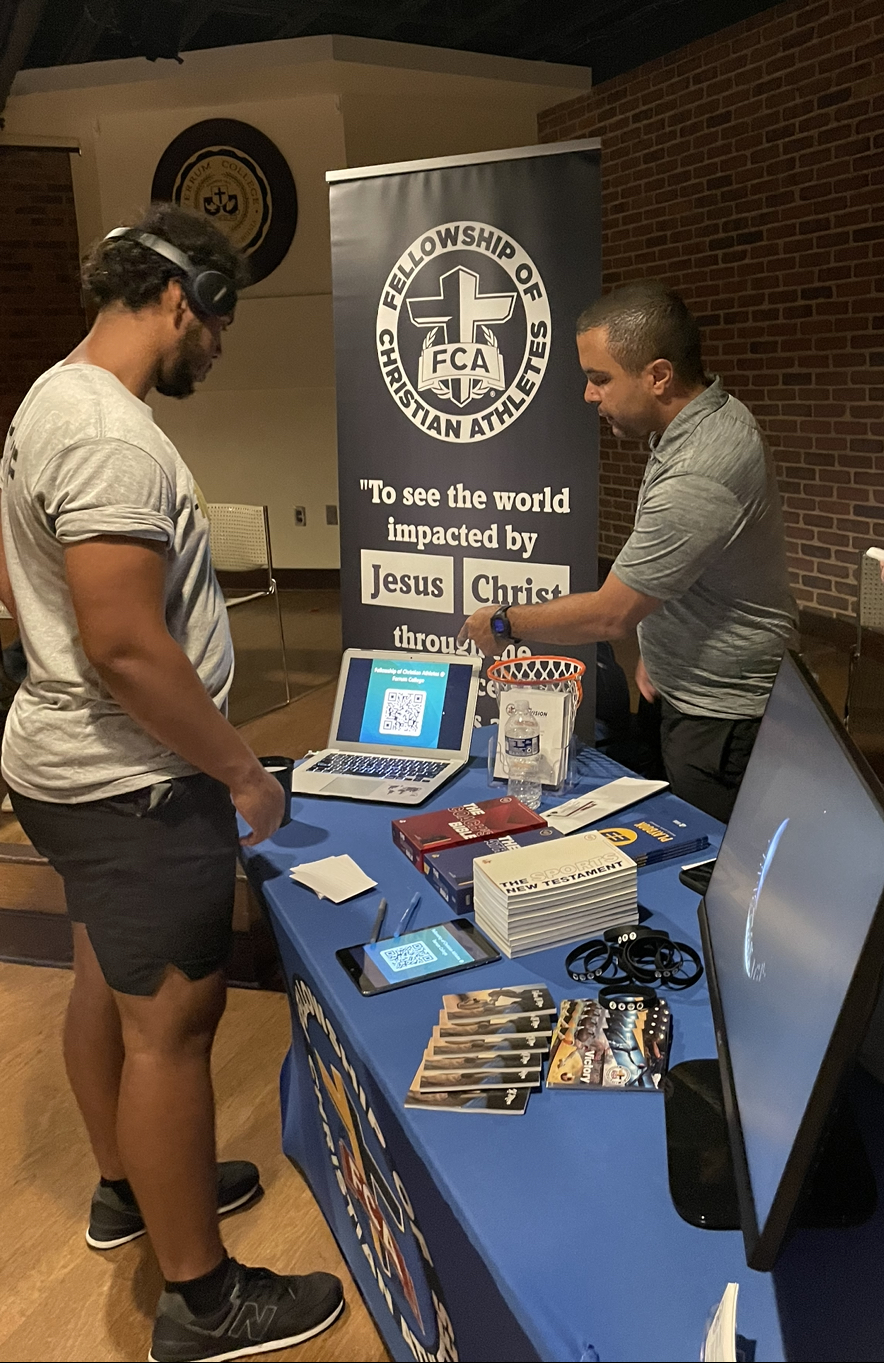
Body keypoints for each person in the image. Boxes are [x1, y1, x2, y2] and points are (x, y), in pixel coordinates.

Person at [0, 203, 343, 1363]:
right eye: (222, 323)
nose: (220, 350)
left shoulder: (52, 394)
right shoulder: (111, 438)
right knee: (174, 1025)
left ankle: (128, 1192)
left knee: (110, 973)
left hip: (68, 771)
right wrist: (241, 770)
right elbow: (128, 646)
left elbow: (24, 589)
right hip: (130, 785)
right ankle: (201, 1300)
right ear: (184, 300)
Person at [459, 281, 795, 821]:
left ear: (658, 376)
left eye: (600, 380)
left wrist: (502, 622)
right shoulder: (694, 423)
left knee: (705, 873)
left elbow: (612, 613)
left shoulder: (700, 469)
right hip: (678, 686)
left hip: (722, 718)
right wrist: (660, 653)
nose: (589, 395)